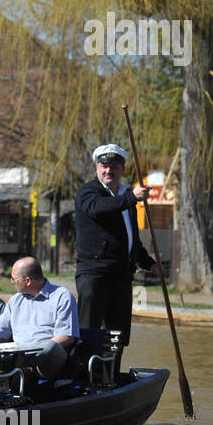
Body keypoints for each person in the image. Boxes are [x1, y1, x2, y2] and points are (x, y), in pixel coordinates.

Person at [75, 142, 155, 347]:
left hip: (121, 276)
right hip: (95, 274)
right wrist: (131, 197)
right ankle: (85, 374)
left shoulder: (125, 196)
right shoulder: (89, 193)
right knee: (89, 332)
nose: (108, 170)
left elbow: (130, 238)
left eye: (114, 166)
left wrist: (149, 263)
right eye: (104, 166)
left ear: (122, 169)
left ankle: (112, 376)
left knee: (117, 336)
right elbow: (97, 209)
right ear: (97, 168)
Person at [0, 257, 79, 380]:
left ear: (27, 281)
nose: (11, 282)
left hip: (50, 360)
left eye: (14, 279)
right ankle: (15, 366)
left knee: (49, 346)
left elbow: (66, 337)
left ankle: (12, 365)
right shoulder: (15, 300)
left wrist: (30, 351)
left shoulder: (62, 296)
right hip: (19, 354)